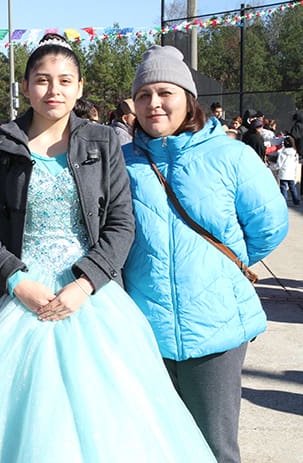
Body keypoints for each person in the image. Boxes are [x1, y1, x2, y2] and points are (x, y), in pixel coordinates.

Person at [0, 34, 215, 463]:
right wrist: (16, 281)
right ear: (26, 87)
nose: (54, 91)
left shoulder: (104, 143)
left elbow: (121, 223)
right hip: (17, 296)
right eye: (43, 80)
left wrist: (85, 284)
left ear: (80, 87)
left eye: (65, 81)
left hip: (90, 295)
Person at [123, 45, 288, 463]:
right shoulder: (122, 162)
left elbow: (269, 226)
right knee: (154, 445)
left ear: (187, 98)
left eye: (165, 93)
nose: (154, 104)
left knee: (215, 447)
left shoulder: (231, 156)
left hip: (216, 329)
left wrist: (220, 270)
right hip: (147, 332)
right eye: (144, 95)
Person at [276, 135, 300, 205]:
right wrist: (295, 173)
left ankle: (284, 202)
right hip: (291, 173)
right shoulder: (295, 153)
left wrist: (271, 167)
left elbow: (279, 164)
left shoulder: (282, 153)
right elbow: (296, 164)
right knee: (292, 188)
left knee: (283, 188)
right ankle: (296, 201)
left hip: (283, 173)